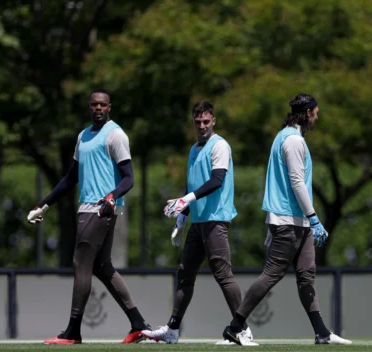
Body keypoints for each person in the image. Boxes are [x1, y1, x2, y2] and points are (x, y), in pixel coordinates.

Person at [222, 93, 352, 346]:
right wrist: (314, 217)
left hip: (296, 220)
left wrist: (307, 220)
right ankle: (235, 326)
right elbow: (296, 182)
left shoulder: (286, 137)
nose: (317, 116)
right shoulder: (292, 141)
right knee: (272, 273)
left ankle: (322, 333)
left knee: (306, 275)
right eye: (315, 112)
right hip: (289, 220)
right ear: (306, 114)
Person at [27, 90, 150, 345]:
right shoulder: (83, 137)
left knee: (81, 261)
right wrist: (45, 205)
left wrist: (111, 197)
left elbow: (129, 179)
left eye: (102, 105)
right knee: (102, 267)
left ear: (109, 108)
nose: (98, 108)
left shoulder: (115, 135)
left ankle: (72, 331)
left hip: (100, 208)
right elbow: (71, 178)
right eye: (94, 104)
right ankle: (138, 323)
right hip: (89, 207)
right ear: (88, 107)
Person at [141, 100, 255, 345]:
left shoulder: (220, 146)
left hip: (216, 220)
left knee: (223, 275)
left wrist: (186, 200)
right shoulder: (194, 149)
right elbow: (192, 185)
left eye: (206, 121)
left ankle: (243, 329)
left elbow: (216, 180)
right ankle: (172, 330)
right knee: (185, 274)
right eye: (197, 122)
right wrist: (182, 218)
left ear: (214, 121)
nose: (202, 125)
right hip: (199, 221)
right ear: (193, 123)